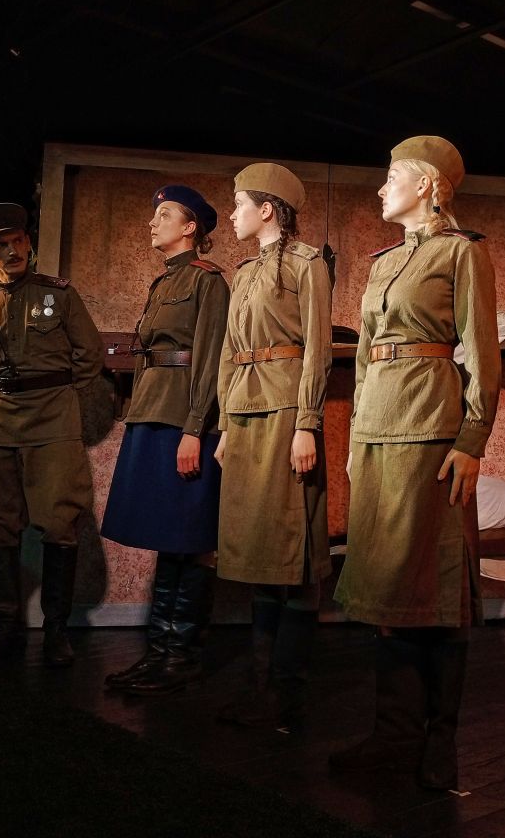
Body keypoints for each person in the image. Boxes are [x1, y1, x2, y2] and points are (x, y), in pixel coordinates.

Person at [331, 136, 501, 792]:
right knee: (386, 585)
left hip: (431, 428)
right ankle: (394, 736)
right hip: (378, 430)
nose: (381, 189)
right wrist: (356, 442)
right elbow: (366, 356)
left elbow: (479, 351)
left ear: (427, 184)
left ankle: (439, 743)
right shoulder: (383, 262)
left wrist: (472, 439)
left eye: (392, 177)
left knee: (435, 584)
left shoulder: (462, 252)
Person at [213, 163, 333, 731]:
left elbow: (317, 348)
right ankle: (260, 689)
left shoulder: (308, 264)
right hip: (245, 411)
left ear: (267, 210)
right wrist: (225, 423)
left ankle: (287, 697)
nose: (232, 214)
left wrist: (307, 422)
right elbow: (227, 350)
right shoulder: (242, 273)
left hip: (286, 412)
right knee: (259, 552)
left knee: (293, 552)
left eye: (239, 204)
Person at [100, 185, 229, 695]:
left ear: (190, 227)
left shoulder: (207, 281)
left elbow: (212, 360)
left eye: (165, 215)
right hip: (152, 414)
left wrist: (194, 429)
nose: (154, 223)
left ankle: (180, 657)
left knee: (190, 539)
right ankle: (158, 653)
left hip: (183, 422)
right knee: (166, 534)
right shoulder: (166, 280)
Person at [0, 203, 104, 668]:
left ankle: (56, 631)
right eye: (0, 245)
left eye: (18, 241)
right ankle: (7, 625)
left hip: (52, 415)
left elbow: (89, 354)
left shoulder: (58, 294)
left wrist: (59, 395)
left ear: (28, 242)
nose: (12, 250)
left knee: (60, 517)